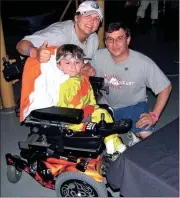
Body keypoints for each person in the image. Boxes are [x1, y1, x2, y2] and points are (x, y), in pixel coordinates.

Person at [20, 44, 127, 155]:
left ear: (82, 63)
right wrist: (83, 114)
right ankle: (112, 145)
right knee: (102, 116)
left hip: (87, 112)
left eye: (77, 62)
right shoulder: (64, 85)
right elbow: (63, 108)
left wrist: (92, 107)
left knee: (104, 113)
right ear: (59, 66)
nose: (73, 66)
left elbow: (90, 97)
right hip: (73, 121)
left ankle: (112, 142)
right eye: (68, 63)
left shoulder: (83, 78)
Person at [91, 22, 172, 143]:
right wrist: (85, 69)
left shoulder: (143, 63)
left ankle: (131, 134)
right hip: (105, 106)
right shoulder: (97, 57)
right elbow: (84, 72)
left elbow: (166, 87)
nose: (114, 44)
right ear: (106, 42)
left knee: (147, 136)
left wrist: (154, 116)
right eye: (110, 39)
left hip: (133, 106)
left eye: (119, 38)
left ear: (128, 40)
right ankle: (125, 134)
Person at [16, 0, 103, 75]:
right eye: (87, 15)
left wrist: (86, 67)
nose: (92, 21)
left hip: (63, 72)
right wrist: (36, 53)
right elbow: (21, 45)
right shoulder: (60, 35)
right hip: (35, 69)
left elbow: (84, 61)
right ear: (76, 18)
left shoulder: (94, 39)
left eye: (97, 19)